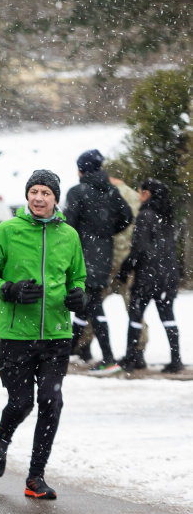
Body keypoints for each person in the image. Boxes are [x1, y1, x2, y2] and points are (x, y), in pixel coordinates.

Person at [0, 170, 87, 500]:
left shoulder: (69, 235)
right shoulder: (7, 231)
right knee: (22, 402)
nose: (39, 198)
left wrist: (78, 295)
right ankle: (3, 435)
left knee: (52, 403)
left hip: (56, 333)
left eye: (46, 193)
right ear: (27, 196)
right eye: (34, 192)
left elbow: (78, 277)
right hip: (16, 334)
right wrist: (8, 289)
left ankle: (35, 477)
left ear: (56, 199)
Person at [63, 149, 134, 373]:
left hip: (81, 257)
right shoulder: (112, 191)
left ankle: (108, 358)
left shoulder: (77, 192)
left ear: (82, 169)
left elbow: (69, 227)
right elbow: (127, 217)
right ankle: (69, 351)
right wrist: (105, 234)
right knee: (86, 306)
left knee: (91, 306)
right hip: (103, 256)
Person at [73, 166, 147, 364]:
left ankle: (83, 345)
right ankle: (137, 350)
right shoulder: (132, 196)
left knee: (92, 305)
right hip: (126, 260)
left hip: (102, 259)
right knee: (132, 306)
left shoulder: (101, 192)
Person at [118, 179, 183, 373]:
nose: (138, 196)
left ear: (147, 194)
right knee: (168, 317)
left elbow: (139, 248)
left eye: (140, 192)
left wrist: (126, 267)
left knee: (136, 315)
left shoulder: (145, 215)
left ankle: (131, 357)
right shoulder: (168, 217)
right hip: (168, 274)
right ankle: (176, 359)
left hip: (148, 275)